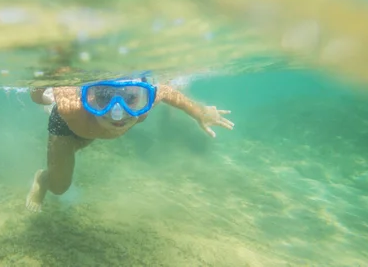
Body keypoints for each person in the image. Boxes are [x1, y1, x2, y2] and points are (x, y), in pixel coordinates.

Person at [26, 76, 234, 213]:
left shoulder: (143, 108)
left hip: (91, 128)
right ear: (90, 98)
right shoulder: (70, 108)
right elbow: (39, 92)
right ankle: (43, 179)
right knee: (59, 187)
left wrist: (199, 112)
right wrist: (44, 88)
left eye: (131, 98)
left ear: (144, 97)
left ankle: (66, 155)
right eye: (105, 97)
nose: (118, 112)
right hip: (68, 126)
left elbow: (168, 91)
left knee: (78, 146)